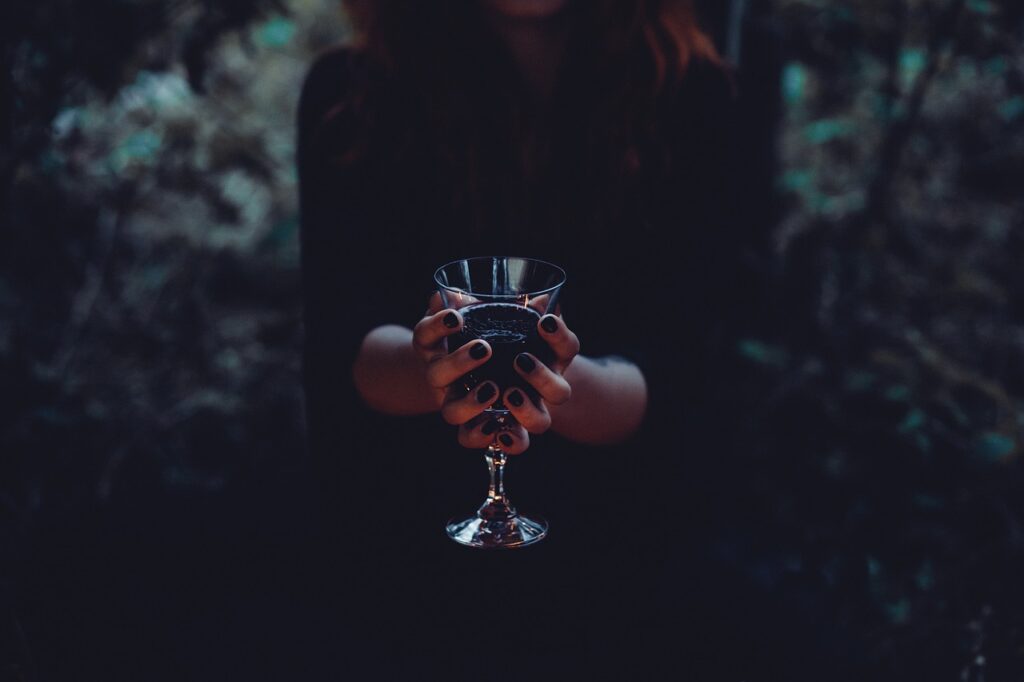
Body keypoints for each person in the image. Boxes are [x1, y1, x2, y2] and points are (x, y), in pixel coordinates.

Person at [298, 0, 773, 676]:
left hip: (622, 562)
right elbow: (338, 345)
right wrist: (425, 367)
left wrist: (564, 390)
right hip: (404, 557)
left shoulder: (697, 98)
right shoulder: (350, 96)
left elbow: (686, 366)